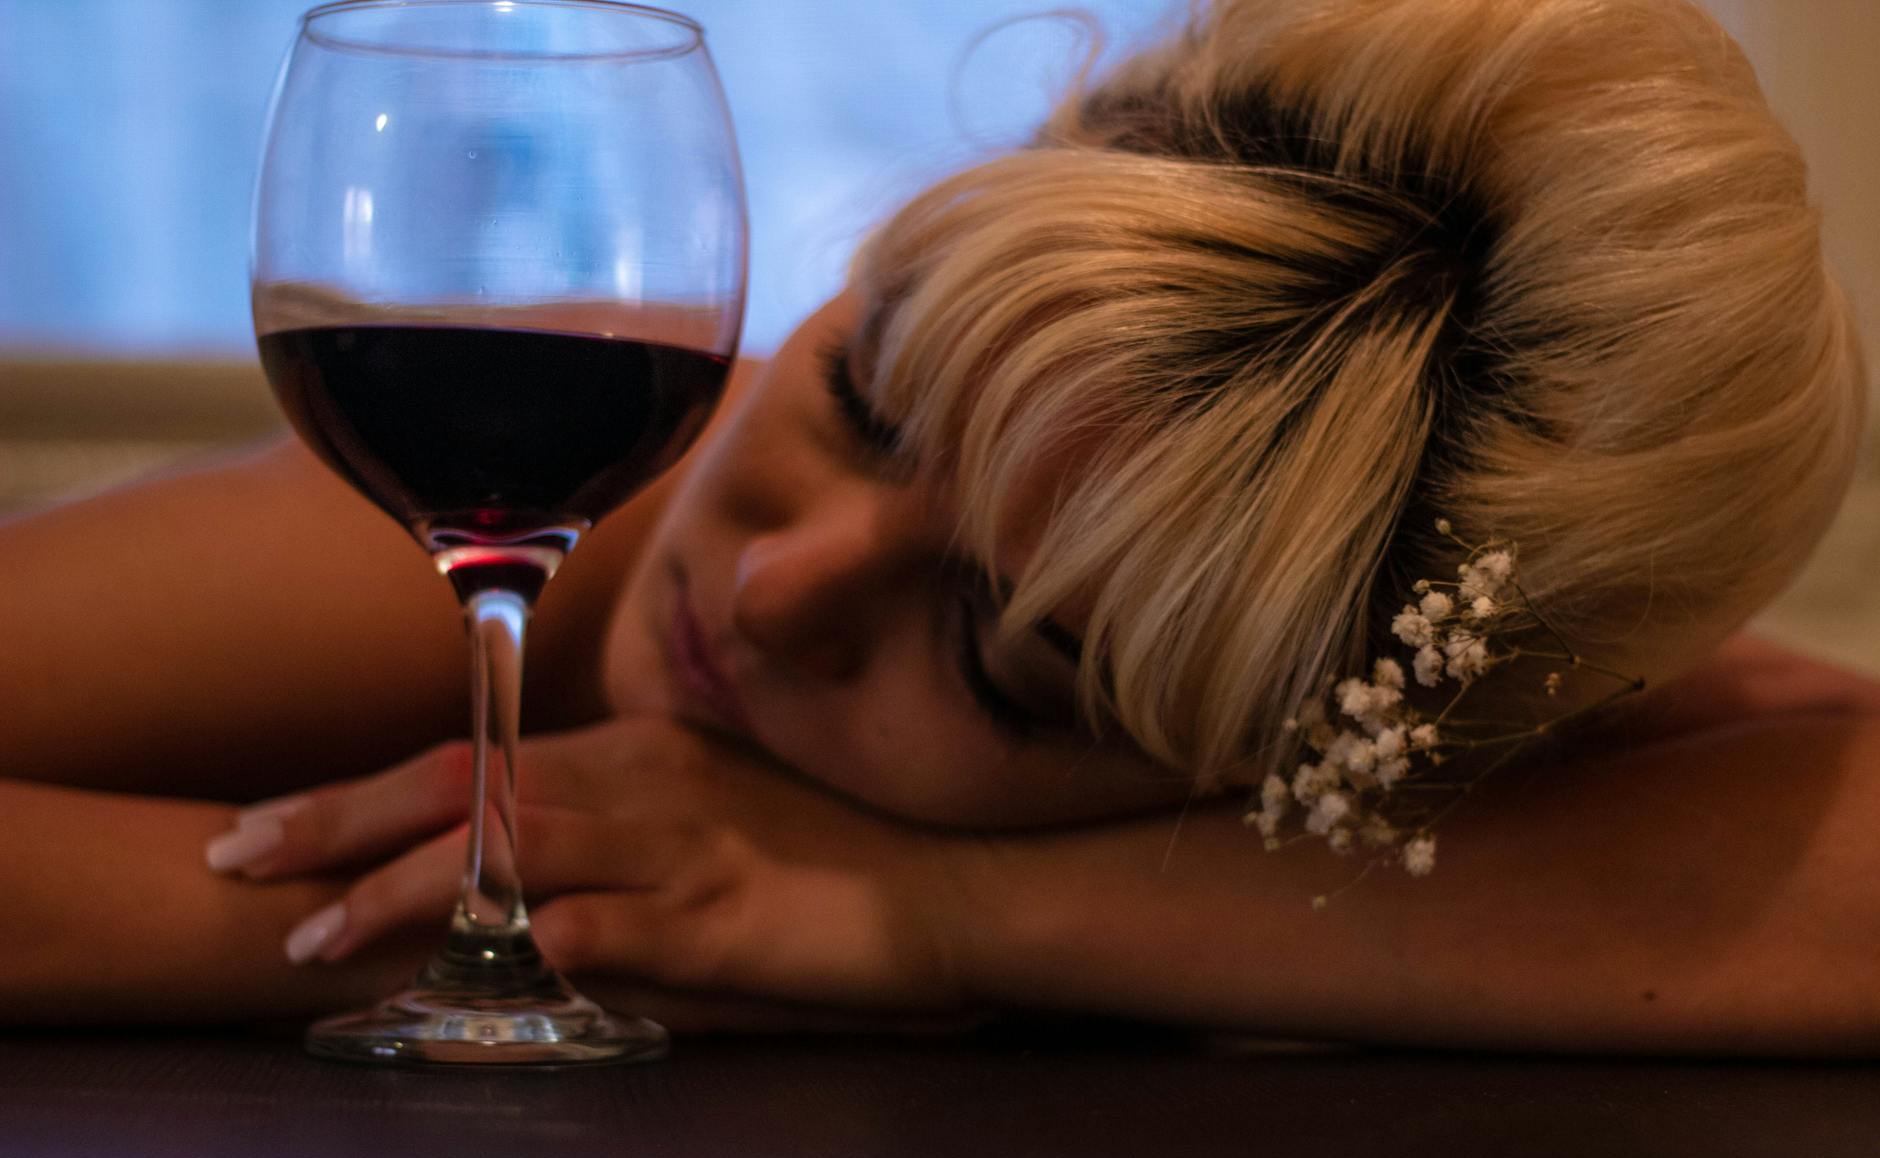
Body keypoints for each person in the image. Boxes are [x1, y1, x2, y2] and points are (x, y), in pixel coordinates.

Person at [3, 0, 1874, 1053]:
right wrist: (539, 928)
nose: (772, 578)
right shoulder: (566, 501)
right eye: (860, 397)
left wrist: (941, 911)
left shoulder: (1378, 651)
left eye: (1006, 661)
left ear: (1303, 773)